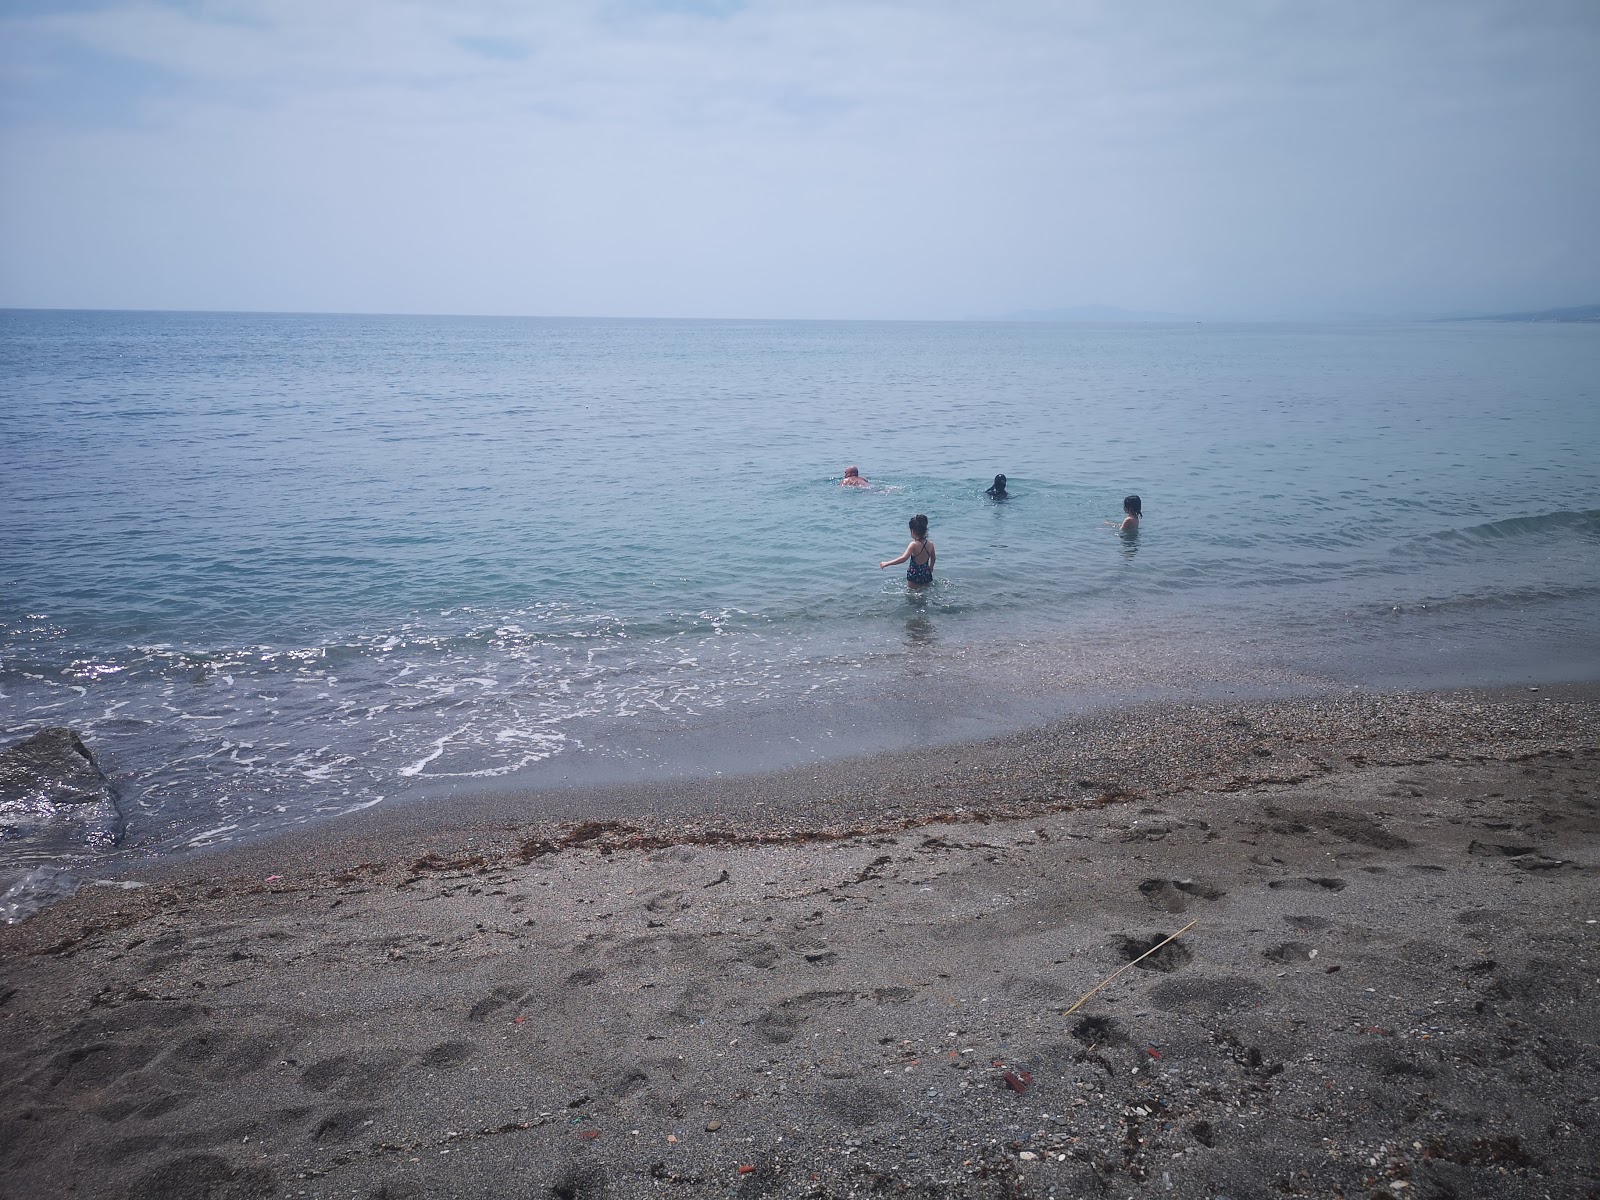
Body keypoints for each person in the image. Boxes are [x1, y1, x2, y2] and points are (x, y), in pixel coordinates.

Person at [880, 513, 935, 586]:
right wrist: (931, 568)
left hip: (914, 574)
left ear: (912, 531)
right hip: (926, 573)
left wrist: (887, 563)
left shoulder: (913, 545)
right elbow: (933, 558)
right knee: (925, 594)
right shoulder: (930, 544)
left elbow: (903, 558)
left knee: (912, 594)